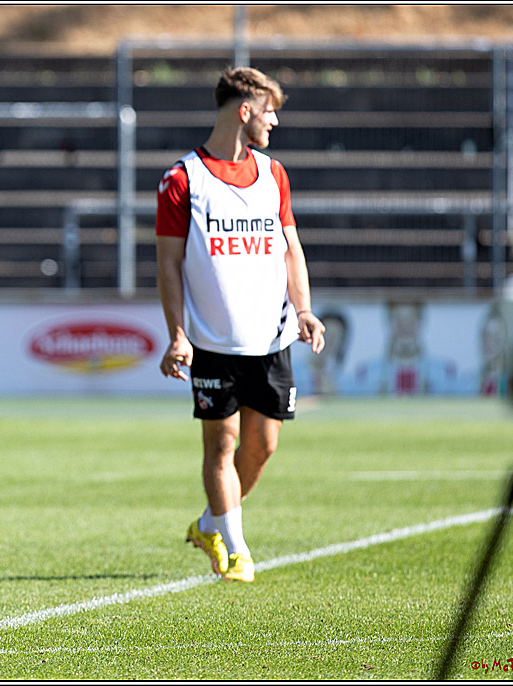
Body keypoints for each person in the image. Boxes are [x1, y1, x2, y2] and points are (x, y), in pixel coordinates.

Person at [155, 67, 325, 583]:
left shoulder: (274, 174)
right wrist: (177, 334)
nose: (274, 122)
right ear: (244, 111)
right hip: (211, 342)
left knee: (263, 446)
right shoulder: (182, 179)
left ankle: (212, 521)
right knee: (222, 445)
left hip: (271, 338)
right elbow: (168, 264)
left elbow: (291, 248)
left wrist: (304, 309)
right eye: (269, 111)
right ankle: (235, 547)